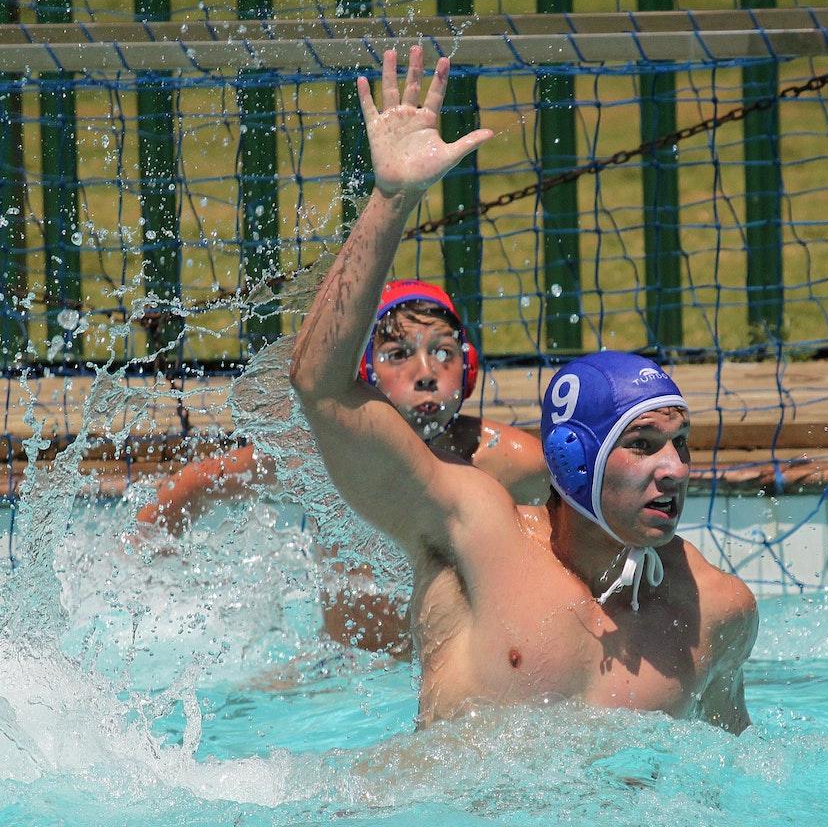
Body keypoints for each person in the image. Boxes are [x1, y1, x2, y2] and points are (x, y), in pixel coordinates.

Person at [288, 46, 757, 730]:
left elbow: (733, 782)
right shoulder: (476, 533)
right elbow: (320, 388)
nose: (675, 469)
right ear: (573, 455)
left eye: (679, 443)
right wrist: (392, 199)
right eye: (645, 444)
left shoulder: (718, 609)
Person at [136, 279, 549, 657]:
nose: (426, 373)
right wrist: (148, 561)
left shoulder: (501, 459)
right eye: (399, 354)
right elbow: (202, 482)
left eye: (443, 352)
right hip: (339, 675)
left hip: (445, 675)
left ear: (468, 368)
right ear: (365, 373)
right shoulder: (321, 452)